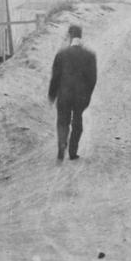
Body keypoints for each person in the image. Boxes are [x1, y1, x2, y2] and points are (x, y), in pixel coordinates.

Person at [47, 24, 97, 161]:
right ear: (80, 36)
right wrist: (87, 96)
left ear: (70, 36)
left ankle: (61, 146)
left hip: (64, 95)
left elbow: (55, 77)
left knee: (62, 121)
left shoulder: (61, 55)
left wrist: (52, 94)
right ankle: (73, 152)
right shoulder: (90, 56)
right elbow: (92, 79)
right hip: (80, 96)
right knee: (77, 122)